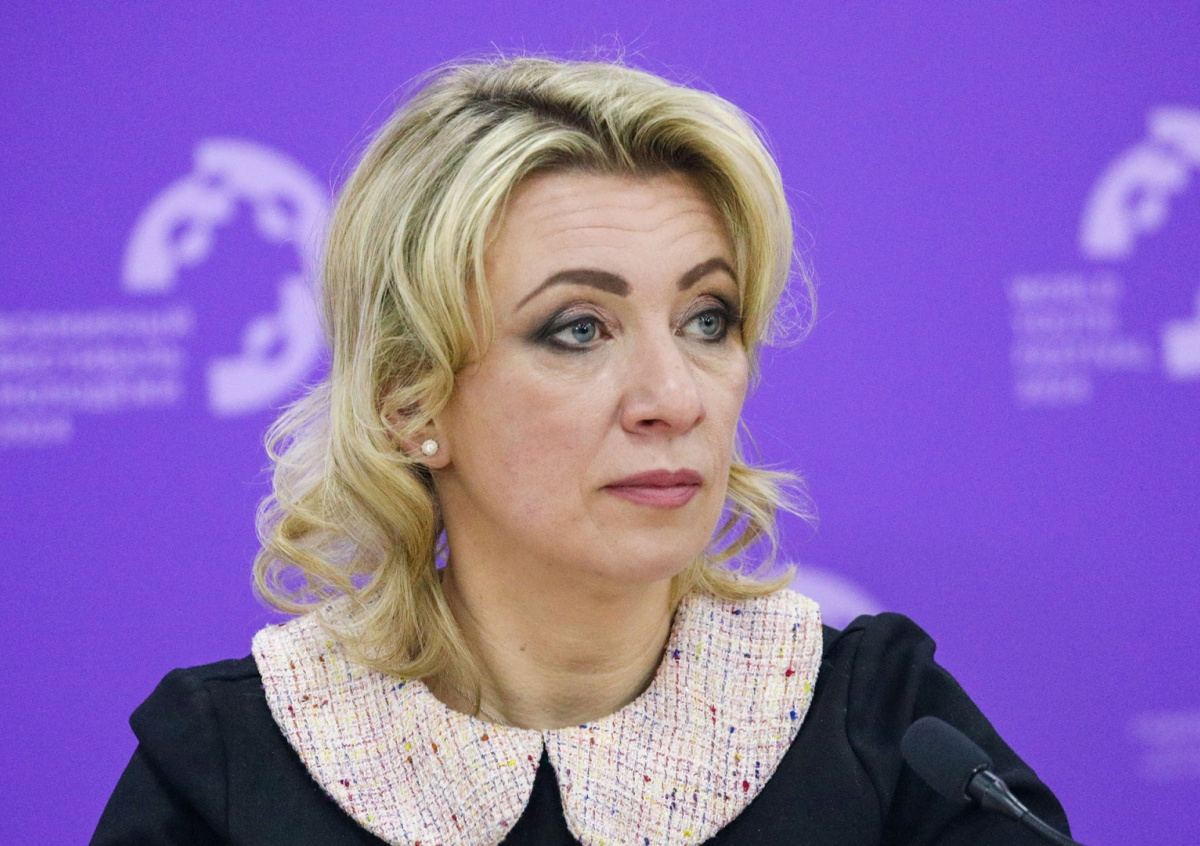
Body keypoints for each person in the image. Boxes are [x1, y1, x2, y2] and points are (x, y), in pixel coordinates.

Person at [92, 56, 1072, 845]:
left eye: (707, 318)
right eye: (579, 329)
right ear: (409, 399)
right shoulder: (226, 766)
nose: (674, 398)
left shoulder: (885, 729)